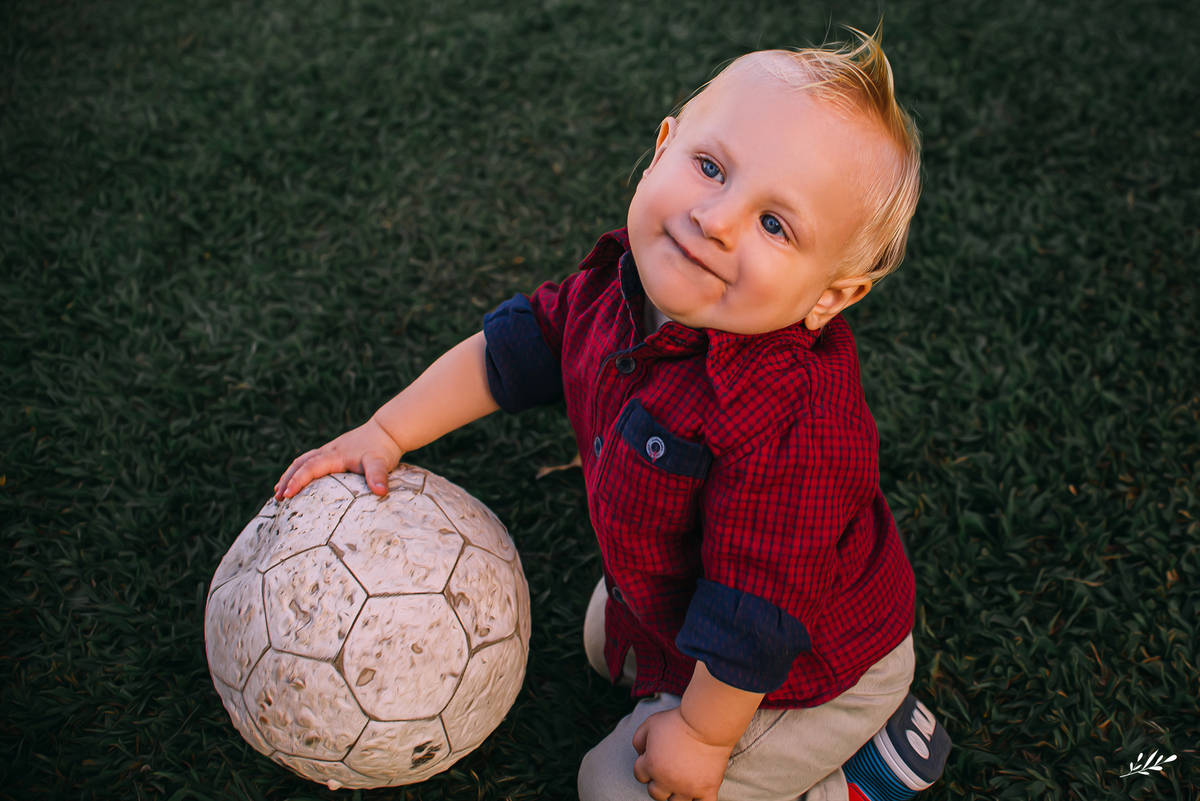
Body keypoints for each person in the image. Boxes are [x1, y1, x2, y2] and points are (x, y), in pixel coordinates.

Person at [274, 28, 951, 801]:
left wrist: (700, 735)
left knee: (613, 784)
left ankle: (867, 768)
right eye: (710, 167)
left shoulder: (792, 423)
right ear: (662, 147)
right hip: (687, 611)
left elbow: (754, 617)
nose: (718, 219)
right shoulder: (621, 287)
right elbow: (512, 352)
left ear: (830, 294)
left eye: (775, 224)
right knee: (602, 638)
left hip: (805, 667)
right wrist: (385, 431)